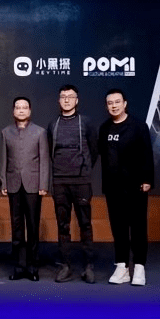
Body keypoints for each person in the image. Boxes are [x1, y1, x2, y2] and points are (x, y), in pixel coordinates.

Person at [99, 88, 154, 286]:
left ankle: (139, 266)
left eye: (117, 102)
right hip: (113, 187)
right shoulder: (104, 128)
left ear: (125, 104)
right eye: (110, 103)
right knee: (118, 228)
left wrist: (147, 179)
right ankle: (122, 266)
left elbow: (147, 154)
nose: (113, 106)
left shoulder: (138, 126)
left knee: (138, 227)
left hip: (136, 186)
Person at [47, 84, 98, 283]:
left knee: (85, 223)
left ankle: (88, 266)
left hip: (81, 181)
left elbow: (94, 150)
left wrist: (83, 169)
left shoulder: (86, 123)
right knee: (63, 225)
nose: (66, 100)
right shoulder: (53, 124)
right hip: (60, 181)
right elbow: (50, 151)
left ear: (77, 100)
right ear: (59, 100)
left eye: (70, 96)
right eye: (63, 96)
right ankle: (66, 266)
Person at [0, 97, 50, 281]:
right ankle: (19, 266)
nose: (21, 110)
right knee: (17, 227)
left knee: (33, 227)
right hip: (13, 184)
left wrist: (43, 184)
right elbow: (3, 159)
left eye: (24, 107)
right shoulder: (6, 132)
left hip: (33, 185)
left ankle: (33, 267)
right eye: (18, 107)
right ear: (13, 111)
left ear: (29, 111)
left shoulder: (40, 132)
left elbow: (44, 160)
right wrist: (3, 182)